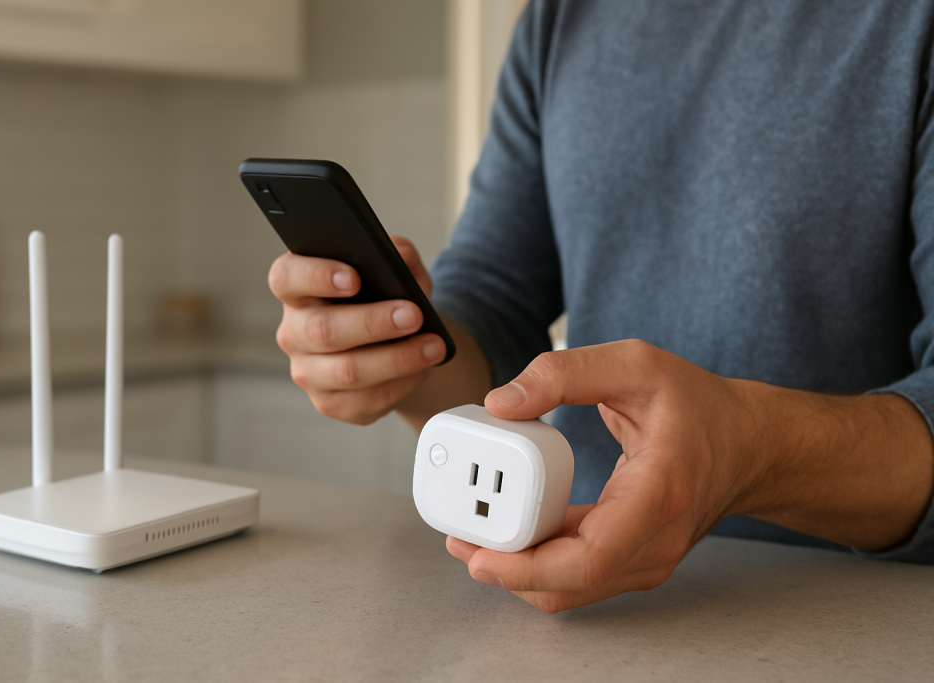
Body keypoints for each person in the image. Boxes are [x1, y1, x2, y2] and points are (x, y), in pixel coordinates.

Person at [267, 0, 934, 613]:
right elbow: (494, 302)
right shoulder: (561, 17)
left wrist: (749, 449)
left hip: (843, 617)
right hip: (575, 607)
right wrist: (400, 355)